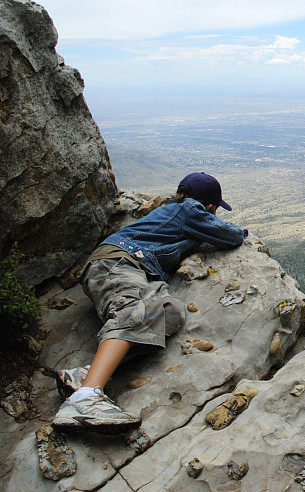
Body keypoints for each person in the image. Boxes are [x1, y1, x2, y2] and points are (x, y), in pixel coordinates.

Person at [52, 172, 247, 434]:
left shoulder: (173, 209)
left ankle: (85, 375)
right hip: (118, 263)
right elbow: (231, 236)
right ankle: (85, 399)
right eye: (214, 209)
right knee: (132, 312)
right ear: (209, 206)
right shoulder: (189, 209)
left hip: (130, 268)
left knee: (169, 312)